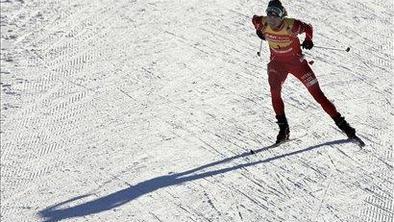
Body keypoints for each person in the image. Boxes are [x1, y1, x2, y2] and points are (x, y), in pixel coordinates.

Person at [252, 0, 358, 144]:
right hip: (277, 64)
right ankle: (283, 129)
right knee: (274, 91)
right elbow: (254, 20)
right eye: (269, 12)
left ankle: (344, 126)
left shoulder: (291, 25)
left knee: (318, 94)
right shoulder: (263, 22)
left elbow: (308, 28)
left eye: (275, 14)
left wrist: (308, 40)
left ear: (282, 16)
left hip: (297, 64)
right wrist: (258, 30)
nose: (271, 17)